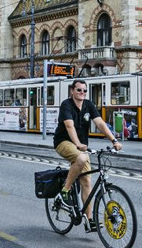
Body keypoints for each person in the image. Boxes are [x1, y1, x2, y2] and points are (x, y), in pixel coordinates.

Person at [53, 79, 123, 233]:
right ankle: (66, 189)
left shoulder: (88, 105)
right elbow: (69, 126)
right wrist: (78, 144)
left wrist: (114, 140)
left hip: (80, 146)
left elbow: (100, 124)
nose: (82, 93)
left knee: (86, 182)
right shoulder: (66, 105)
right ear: (72, 91)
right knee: (82, 158)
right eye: (79, 90)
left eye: (84, 90)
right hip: (63, 142)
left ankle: (89, 221)